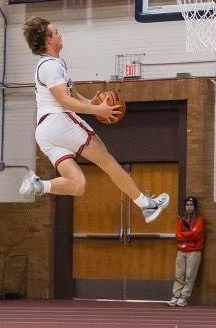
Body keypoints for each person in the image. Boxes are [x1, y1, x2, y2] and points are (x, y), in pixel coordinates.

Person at [19, 16, 169, 224]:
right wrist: (97, 109)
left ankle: (39, 186)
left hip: (46, 133)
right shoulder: (50, 67)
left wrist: (90, 102)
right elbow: (64, 101)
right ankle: (147, 206)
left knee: (78, 185)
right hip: (60, 121)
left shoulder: (56, 64)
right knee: (108, 162)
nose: (61, 35)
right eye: (57, 32)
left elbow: (72, 94)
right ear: (49, 39)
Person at [168, 196, 205, 307]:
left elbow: (196, 234)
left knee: (190, 275)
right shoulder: (181, 220)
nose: (189, 207)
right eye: (187, 205)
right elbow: (178, 235)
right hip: (182, 250)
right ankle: (176, 295)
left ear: (195, 207)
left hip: (194, 251)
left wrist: (185, 236)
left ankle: (184, 296)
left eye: (191, 205)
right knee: (179, 274)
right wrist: (187, 236)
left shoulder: (199, 220)